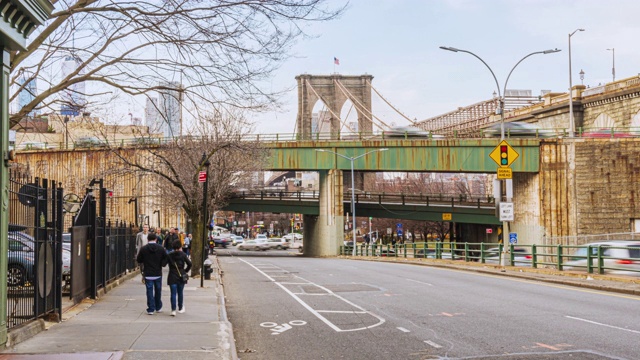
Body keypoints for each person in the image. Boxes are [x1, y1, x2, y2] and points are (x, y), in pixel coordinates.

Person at [136, 233, 168, 315]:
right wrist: (162, 264)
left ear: (148, 239)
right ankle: (158, 307)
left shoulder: (144, 249)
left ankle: (151, 308)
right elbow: (166, 258)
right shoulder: (161, 248)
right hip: (157, 272)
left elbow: (139, 259)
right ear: (156, 239)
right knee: (158, 290)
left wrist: (144, 262)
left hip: (148, 272)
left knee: (149, 291)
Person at [168, 240, 192, 316]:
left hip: (172, 275)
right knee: (180, 292)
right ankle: (180, 307)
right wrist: (185, 271)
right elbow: (190, 264)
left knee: (173, 293)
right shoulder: (183, 254)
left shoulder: (169, 255)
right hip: (181, 275)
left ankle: (173, 310)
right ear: (180, 246)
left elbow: (164, 263)